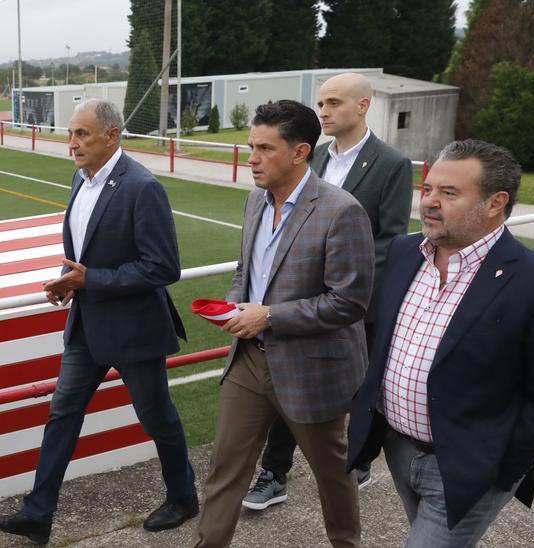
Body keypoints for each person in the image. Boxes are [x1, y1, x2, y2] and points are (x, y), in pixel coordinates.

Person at [347, 139, 534, 546]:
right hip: (398, 449)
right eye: (428, 190)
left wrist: (501, 470)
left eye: (449, 193)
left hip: (467, 466)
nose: (429, 203)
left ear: (496, 203)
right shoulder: (405, 252)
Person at [0, 99, 197, 545]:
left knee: (157, 419)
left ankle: (183, 497)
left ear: (112, 135)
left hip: (134, 331)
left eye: (82, 134)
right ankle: (38, 514)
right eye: (71, 134)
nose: (73, 143)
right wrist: (69, 282)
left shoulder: (142, 187)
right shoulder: (80, 180)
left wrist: (90, 280)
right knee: (62, 415)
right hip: (86, 326)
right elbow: (85, 254)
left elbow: (163, 268)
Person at [192, 100, 371, 548]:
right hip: (250, 363)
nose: (251, 158)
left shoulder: (341, 211)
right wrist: (234, 308)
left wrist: (268, 316)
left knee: (333, 476)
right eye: (251, 146)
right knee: (224, 472)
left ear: (299, 152)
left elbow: (348, 302)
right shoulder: (255, 201)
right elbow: (245, 271)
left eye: (264, 148)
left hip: (311, 367)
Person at [244, 72, 413, 511]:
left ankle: (358, 456)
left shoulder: (391, 164)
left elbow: (390, 239)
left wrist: (338, 279)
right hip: (293, 298)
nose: (324, 111)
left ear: (363, 105)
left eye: (334, 102)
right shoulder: (311, 156)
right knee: (288, 385)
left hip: (355, 300)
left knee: (357, 385)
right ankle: (274, 473)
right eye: (321, 103)